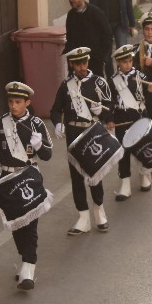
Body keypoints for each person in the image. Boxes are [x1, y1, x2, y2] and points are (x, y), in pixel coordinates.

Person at [0, 82, 53, 290]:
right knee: (16, 224)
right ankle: (24, 261)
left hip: (28, 175)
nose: (13, 106)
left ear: (28, 102)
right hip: (7, 178)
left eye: (18, 102)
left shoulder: (36, 124)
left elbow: (47, 155)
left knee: (31, 224)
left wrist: (39, 145)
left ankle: (29, 268)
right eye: (10, 101)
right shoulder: (0, 122)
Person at [50, 47, 114, 235]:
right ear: (72, 64)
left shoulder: (99, 83)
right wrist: (57, 124)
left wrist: (100, 111)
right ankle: (83, 217)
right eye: (77, 63)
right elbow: (55, 110)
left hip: (92, 132)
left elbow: (110, 107)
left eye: (84, 62)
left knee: (95, 174)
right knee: (76, 176)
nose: (82, 67)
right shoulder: (65, 85)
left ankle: (99, 211)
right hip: (73, 133)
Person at [108, 44, 150, 201]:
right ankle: (125, 184)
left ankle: (144, 175)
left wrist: (151, 91)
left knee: (141, 148)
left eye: (130, 61)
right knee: (123, 152)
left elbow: (149, 99)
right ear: (118, 63)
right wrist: (110, 119)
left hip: (139, 117)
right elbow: (110, 103)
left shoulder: (141, 77)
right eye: (124, 62)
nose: (127, 64)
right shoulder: (112, 81)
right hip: (121, 119)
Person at [64, 0, 114, 78]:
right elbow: (69, 39)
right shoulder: (71, 16)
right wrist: (70, 62)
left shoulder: (96, 13)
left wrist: (102, 57)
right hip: (77, 62)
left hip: (95, 60)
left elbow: (108, 35)